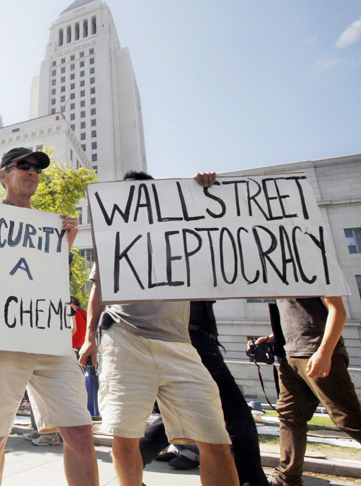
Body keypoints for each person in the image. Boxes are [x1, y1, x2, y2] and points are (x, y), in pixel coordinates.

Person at [79, 171, 239, 486]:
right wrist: (89, 339)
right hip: (124, 339)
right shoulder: (114, 237)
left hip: (179, 345)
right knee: (123, 433)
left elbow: (216, 230)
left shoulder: (180, 230)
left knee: (215, 438)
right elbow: (97, 291)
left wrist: (203, 191)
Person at [0, 147, 99, 486]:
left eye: (37, 169)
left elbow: (48, 282)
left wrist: (64, 245)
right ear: (3, 175)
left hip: (49, 342)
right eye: (22, 166)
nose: (32, 173)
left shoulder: (49, 227)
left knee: (81, 431)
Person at [140, 301, 268, 485]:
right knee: (236, 418)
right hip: (191, 338)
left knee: (177, 416)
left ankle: (130, 460)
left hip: (193, 337)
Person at [255, 297, 361, 486]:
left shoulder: (314, 268)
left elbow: (338, 310)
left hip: (317, 351)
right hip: (290, 356)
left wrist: (324, 352)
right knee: (289, 417)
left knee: (348, 418)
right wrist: (273, 337)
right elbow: (294, 314)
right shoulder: (279, 278)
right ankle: (286, 478)